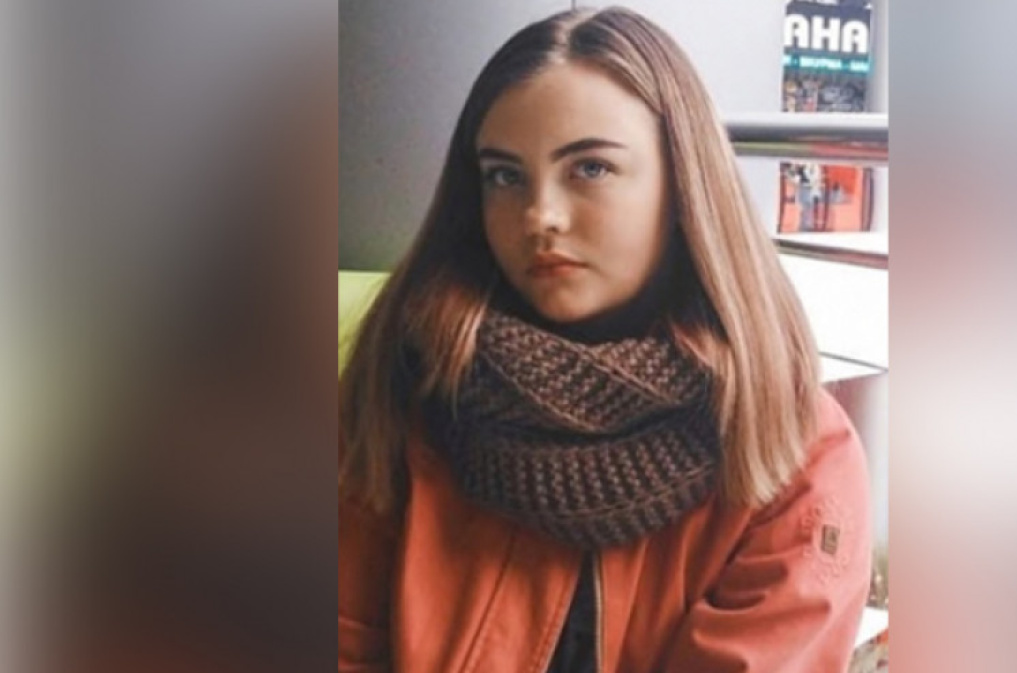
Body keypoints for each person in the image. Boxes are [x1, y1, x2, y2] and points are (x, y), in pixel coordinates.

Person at [339, 7, 871, 672]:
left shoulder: (793, 449)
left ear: (684, 184)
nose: (540, 216)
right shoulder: (407, 387)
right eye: (504, 175)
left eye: (590, 168)